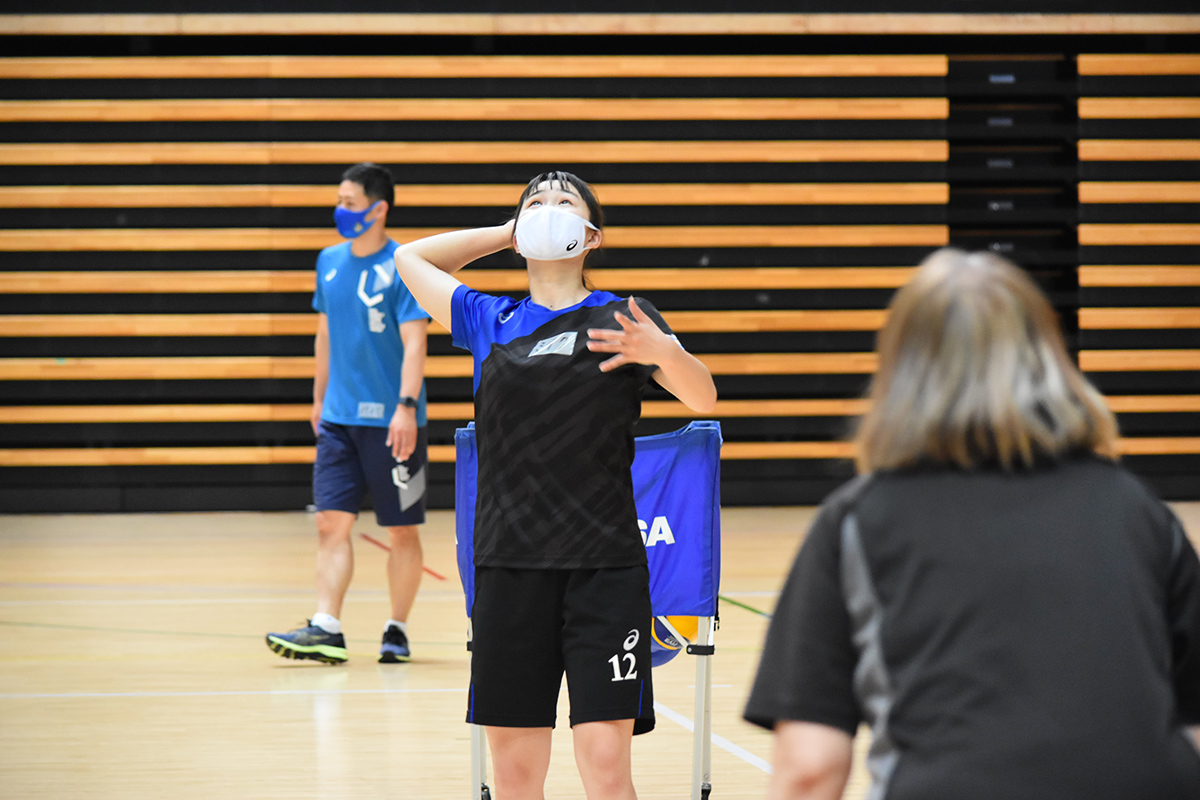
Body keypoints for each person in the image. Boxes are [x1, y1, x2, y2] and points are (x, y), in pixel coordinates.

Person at [743, 248, 1200, 800]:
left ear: (902, 366)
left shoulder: (858, 521)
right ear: (1048, 355)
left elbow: (810, 769)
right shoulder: (1139, 509)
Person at [394, 171, 716, 800]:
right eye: (535, 202)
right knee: (516, 778)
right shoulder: (488, 318)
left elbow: (703, 398)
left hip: (605, 569)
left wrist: (667, 352)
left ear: (591, 236)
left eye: (565, 202)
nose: (549, 208)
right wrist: (507, 233)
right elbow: (411, 258)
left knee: (604, 766)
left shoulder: (625, 316)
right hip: (509, 566)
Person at [266, 162, 431, 664]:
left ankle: (397, 629)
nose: (340, 210)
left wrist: (406, 407)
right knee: (330, 524)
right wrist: (318, 398)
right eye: (338, 200)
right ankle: (327, 626)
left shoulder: (404, 264)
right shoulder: (328, 261)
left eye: (349, 202)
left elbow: (415, 342)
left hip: (394, 422)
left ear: (378, 209)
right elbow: (325, 334)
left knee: (401, 529)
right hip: (338, 419)